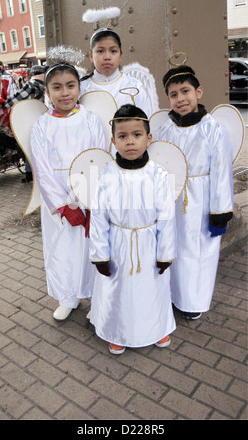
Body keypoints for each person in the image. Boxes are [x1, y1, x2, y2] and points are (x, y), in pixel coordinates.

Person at [89, 104, 176, 354]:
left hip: (150, 243)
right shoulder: (107, 175)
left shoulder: (157, 174)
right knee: (120, 290)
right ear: (113, 140)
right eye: (122, 136)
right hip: (118, 242)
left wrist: (165, 253)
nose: (130, 142)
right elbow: (99, 217)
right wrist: (100, 254)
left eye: (137, 135)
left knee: (152, 289)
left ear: (149, 138)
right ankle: (117, 330)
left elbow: (167, 217)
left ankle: (157, 328)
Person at [154, 65, 234, 320]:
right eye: (174, 94)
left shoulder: (212, 129)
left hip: (201, 200)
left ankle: (194, 301)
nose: (181, 99)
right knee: (173, 247)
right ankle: (174, 295)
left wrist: (220, 211)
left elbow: (221, 171)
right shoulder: (166, 129)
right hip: (172, 198)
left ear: (198, 92)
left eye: (185, 91)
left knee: (198, 252)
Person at [30, 63, 107, 321]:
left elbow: (99, 156)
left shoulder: (90, 119)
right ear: (48, 92)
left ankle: (97, 295)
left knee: (91, 247)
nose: (65, 93)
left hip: (87, 195)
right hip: (58, 202)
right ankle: (67, 297)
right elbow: (42, 168)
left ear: (79, 87)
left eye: (70, 85)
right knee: (61, 248)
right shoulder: (42, 126)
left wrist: (85, 198)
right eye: (57, 87)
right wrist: (64, 204)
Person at [80, 28, 155, 118]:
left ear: (120, 56)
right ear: (91, 56)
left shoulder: (135, 87)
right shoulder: (80, 88)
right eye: (100, 51)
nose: (107, 57)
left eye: (113, 51)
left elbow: (147, 124)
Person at [3, 64, 46, 182]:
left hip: (31, 119)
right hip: (44, 119)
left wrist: (4, 104)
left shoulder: (31, 85)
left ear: (32, 74)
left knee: (29, 146)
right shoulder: (46, 85)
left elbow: (15, 99)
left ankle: (29, 173)